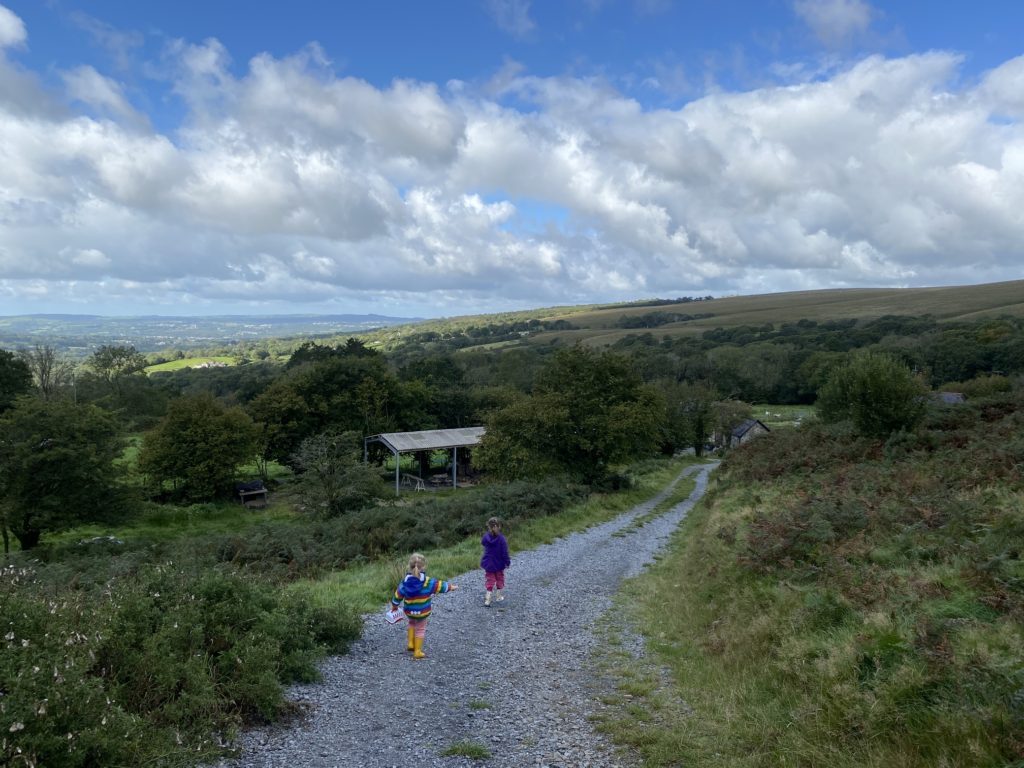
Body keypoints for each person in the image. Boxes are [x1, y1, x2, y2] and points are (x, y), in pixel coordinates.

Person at [390, 553, 458, 659]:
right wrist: (451, 587)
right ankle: (417, 651)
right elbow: (440, 585)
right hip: (422, 612)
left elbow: (397, 595)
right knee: (420, 629)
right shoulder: (428, 582)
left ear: (409, 566)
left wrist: (394, 605)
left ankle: (410, 644)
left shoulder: (405, 582)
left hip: (409, 611)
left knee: (411, 623)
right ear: (424, 566)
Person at [480, 516, 510, 607]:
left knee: (490, 579)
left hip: (488, 563)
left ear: (489, 526)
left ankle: (488, 599)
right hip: (499, 563)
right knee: (500, 578)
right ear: (499, 526)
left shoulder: (485, 537)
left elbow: (483, 543)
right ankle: (498, 596)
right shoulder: (502, 539)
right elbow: (504, 553)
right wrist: (507, 562)